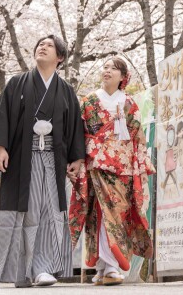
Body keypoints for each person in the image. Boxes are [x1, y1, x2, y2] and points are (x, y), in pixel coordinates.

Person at [0, 35, 85, 288]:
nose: (42, 47)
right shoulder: (17, 83)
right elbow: (3, 115)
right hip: (22, 159)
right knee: (25, 211)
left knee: (50, 210)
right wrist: (1, 148)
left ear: (59, 58)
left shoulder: (66, 91)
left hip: (52, 159)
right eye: (40, 44)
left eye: (49, 46)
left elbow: (74, 126)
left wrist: (77, 157)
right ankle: (23, 270)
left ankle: (43, 268)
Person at [68, 57, 154, 286]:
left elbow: (138, 137)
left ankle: (106, 267)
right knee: (98, 214)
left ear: (123, 77)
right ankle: (108, 267)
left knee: (118, 213)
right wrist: (79, 158)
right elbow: (79, 134)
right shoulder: (88, 101)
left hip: (122, 167)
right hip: (96, 164)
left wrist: (140, 164)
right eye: (105, 67)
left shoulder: (129, 103)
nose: (107, 71)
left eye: (113, 68)